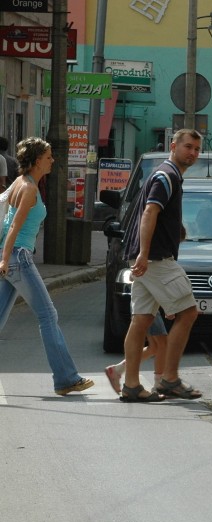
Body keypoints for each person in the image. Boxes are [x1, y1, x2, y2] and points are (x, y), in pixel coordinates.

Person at [0, 137, 94, 396]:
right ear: (37, 159)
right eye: (49, 156)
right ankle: (66, 378)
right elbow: (14, 228)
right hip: (18, 258)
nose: (53, 160)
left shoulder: (21, 183)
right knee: (48, 315)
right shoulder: (28, 188)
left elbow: (8, 224)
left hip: (11, 257)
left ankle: (66, 377)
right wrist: (6, 259)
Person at [120, 128, 203, 402]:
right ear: (173, 146)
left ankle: (131, 385)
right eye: (188, 147)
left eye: (196, 149)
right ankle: (169, 379)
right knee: (188, 313)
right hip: (155, 259)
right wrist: (145, 253)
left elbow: (156, 212)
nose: (192, 153)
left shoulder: (167, 175)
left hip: (146, 257)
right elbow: (149, 211)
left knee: (141, 320)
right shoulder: (167, 176)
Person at [104, 312, 168, 394]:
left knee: (155, 346)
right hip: (149, 307)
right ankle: (159, 384)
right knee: (161, 344)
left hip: (148, 307)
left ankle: (117, 370)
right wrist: (168, 307)